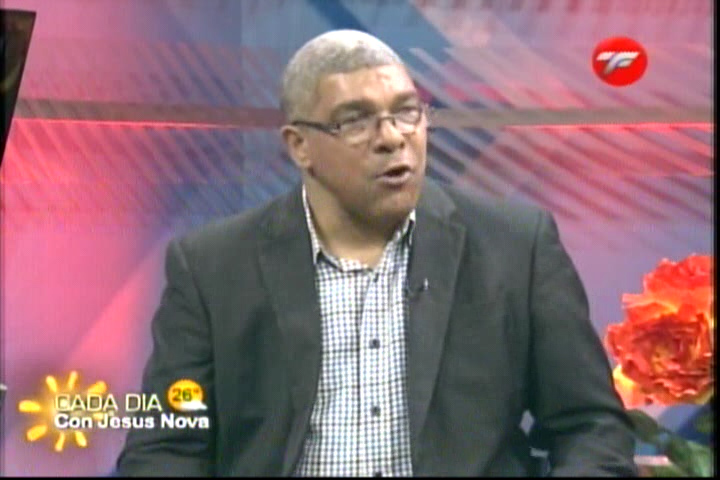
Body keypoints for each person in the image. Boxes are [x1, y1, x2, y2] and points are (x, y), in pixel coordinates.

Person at [115, 29, 638, 477]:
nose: (392, 138)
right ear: (299, 146)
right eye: (355, 121)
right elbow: (166, 447)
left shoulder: (516, 247)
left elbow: (590, 427)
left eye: (407, 112)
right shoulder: (213, 266)